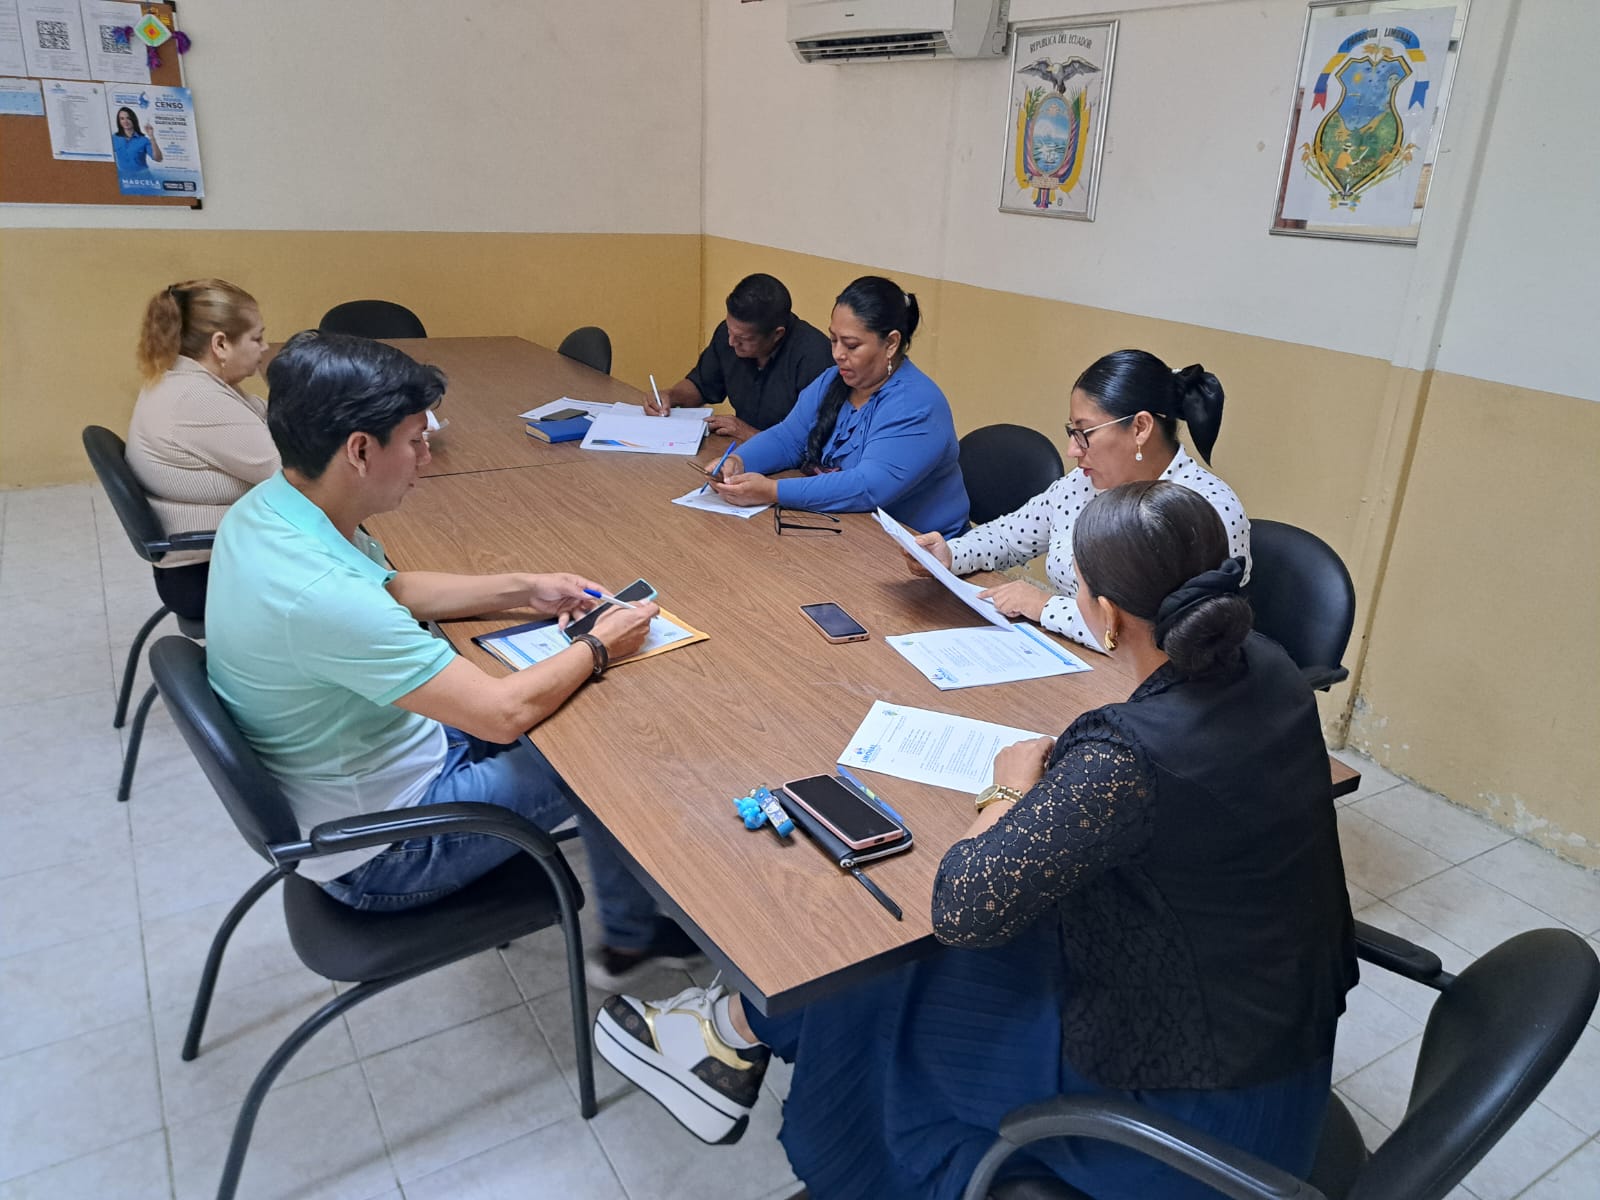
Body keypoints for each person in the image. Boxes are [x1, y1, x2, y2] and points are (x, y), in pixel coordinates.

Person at [595, 480, 1356, 1200]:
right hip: (1266, 1033)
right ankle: (725, 1037)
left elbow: (961, 903)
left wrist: (1007, 789)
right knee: (903, 953)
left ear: (1106, 617)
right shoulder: (1270, 668)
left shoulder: (1127, 758)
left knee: (900, 966)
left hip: (1187, 1106)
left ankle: (755, 1071)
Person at [204, 330, 701, 988]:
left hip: (376, 766)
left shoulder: (272, 509)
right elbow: (501, 713)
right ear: (360, 450)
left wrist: (526, 588)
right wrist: (601, 644)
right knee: (598, 754)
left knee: (564, 710)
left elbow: (390, 590)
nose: (426, 458)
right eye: (415, 441)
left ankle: (629, 927)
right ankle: (631, 941)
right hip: (382, 854)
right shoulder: (319, 594)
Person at [909, 348, 1250, 651]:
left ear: (1140, 428)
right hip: (1067, 655)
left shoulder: (1206, 510)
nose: (1073, 450)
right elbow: (1008, 537)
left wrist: (1045, 606)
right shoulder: (1086, 482)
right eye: (1072, 432)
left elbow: (1163, 637)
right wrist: (951, 554)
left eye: (1085, 433)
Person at [704, 275, 970, 538]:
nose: (837, 354)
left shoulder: (916, 405)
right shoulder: (833, 380)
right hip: (853, 532)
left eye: (851, 345)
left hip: (923, 547)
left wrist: (773, 491)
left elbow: (868, 487)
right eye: (834, 340)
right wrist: (739, 461)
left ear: (891, 343)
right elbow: (788, 438)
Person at [125, 278, 277, 621]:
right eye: (256, 338)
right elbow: (290, 476)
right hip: (208, 574)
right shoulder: (197, 399)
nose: (264, 348)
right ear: (220, 344)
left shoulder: (185, 378)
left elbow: (266, 416)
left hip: (206, 559)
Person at [647, 273, 833, 440]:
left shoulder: (814, 357)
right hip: (740, 451)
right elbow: (701, 385)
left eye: (744, 339)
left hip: (788, 462)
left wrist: (747, 433)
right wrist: (671, 396)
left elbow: (816, 443)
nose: (731, 342)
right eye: (730, 330)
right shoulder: (730, 335)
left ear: (777, 334)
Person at [111, 106, 163, 181]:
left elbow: (158, 158)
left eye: (128, 118)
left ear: (133, 119)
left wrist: (151, 136)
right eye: (122, 118)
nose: (125, 121)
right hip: (123, 177)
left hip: (143, 177)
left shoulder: (144, 140)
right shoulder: (114, 138)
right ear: (119, 121)